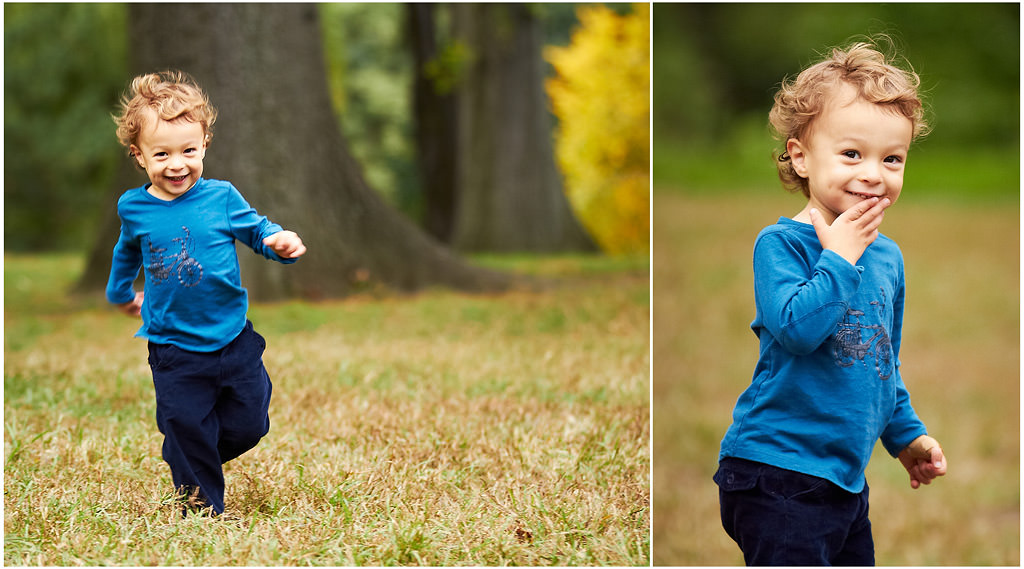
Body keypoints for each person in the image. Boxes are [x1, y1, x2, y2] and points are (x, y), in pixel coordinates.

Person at [713, 40, 947, 565]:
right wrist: (837, 259)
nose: (873, 173)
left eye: (892, 159)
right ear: (800, 156)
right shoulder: (781, 245)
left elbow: (880, 360)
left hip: (842, 481)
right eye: (851, 154)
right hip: (775, 473)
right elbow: (797, 329)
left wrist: (907, 435)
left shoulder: (888, 258)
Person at [106, 70, 306, 516]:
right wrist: (120, 293)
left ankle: (188, 455)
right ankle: (202, 509)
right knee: (186, 422)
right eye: (162, 154)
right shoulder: (133, 208)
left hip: (232, 338)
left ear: (205, 145)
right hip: (173, 347)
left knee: (250, 423)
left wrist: (278, 242)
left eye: (189, 151)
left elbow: (257, 230)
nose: (177, 164)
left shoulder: (222, 198)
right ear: (139, 156)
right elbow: (126, 253)